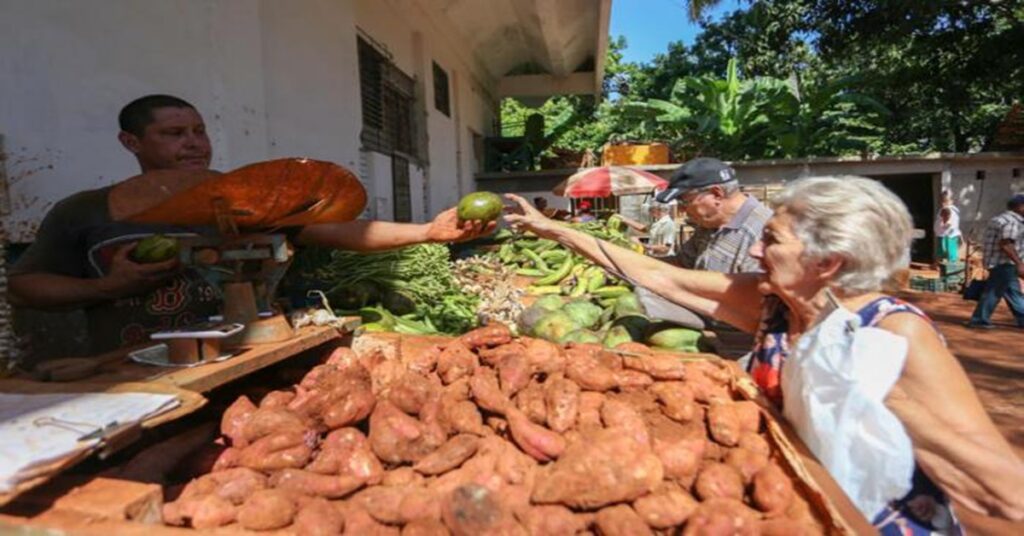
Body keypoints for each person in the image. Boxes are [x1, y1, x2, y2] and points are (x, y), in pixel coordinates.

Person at [504, 177, 1024, 532]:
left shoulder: (889, 336)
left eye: (770, 240)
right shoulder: (775, 304)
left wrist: (873, 394)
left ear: (827, 262)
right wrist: (554, 228)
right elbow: (662, 277)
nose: (754, 249)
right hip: (790, 506)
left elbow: (1000, 489)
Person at [9, 94, 493, 353]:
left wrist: (426, 232)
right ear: (131, 142)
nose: (194, 143)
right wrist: (106, 287)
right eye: (174, 133)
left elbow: (338, 230)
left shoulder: (248, 198)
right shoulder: (85, 211)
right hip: (131, 368)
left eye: (199, 131)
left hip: (246, 356)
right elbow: (24, 287)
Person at [966, 194, 1024, 329]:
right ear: (1020, 207)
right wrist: (1019, 263)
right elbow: (1006, 244)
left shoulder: (998, 219)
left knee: (1013, 292)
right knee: (993, 292)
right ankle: (979, 320)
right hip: (1004, 263)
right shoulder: (1012, 222)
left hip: (998, 262)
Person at [934, 190, 961, 267]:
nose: (943, 203)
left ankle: (951, 267)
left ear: (951, 201)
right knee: (942, 251)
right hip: (942, 234)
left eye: (946, 201)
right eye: (942, 201)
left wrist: (944, 226)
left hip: (949, 235)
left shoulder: (950, 210)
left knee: (949, 252)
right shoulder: (943, 209)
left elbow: (950, 222)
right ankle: (940, 266)